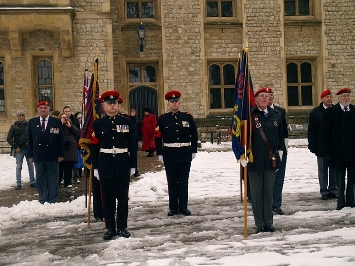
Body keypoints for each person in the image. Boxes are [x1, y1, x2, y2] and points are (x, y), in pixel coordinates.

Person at [90, 90, 137, 240]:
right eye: (109, 103)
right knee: (107, 198)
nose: (112, 106)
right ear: (103, 106)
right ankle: (110, 228)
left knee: (122, 197)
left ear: (118, 105)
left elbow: (133, 145)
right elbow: (94, 147)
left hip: (122, 161)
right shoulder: (98, 124)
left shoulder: (127, 122)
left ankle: (122, 227)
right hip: (105, 163)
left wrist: (133, 165)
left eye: (115, 103)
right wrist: (95, 167)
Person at [240, 87, 286, 234]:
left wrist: (279, 156)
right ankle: (260, 223)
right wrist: (242, 155)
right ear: (256, 99)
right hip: (254, 161)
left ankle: (269, 222)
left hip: (271, 161)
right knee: (256, 194)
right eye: (262, 96)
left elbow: (280, 139)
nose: (265, 98)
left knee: (269, 193)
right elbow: (242, 138)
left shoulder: (276, 115)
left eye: (267, 96)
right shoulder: (249, 115)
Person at [154, 90, 198, 216]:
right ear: (168, 104)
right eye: (172, 102)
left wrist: (193, 150)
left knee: (184, 181)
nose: (174, 104)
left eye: (176, 102)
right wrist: (160, 153)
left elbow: (194, 135)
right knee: (172, 181)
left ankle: (183, 207)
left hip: (184, 152)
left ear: (179, 103)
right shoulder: (162, 119)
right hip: (170, 153)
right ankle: (173, 207)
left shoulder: (187, 117)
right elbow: (157, 136)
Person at [323, 88, 355, 210]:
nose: (346, 98)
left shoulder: (353, 110)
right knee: (340, 177)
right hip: (338, 151)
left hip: (352, 151)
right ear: (339, 98)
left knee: (352, 177)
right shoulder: (331, 112)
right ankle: (340, 201)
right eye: (344, 96)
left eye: (348, 96)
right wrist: (327, 151)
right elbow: (326, 133)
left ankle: (351, 200)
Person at [28, 100, 65, 204]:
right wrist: (30, 155)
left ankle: (53, 199)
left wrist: (61, 154)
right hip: (38, 155)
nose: (43, 110)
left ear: (49, 110)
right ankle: (43, 198)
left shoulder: (56, 122)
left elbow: (60, 139)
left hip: (52, 155)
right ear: (38, 110)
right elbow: (30, 140)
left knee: (53, 178)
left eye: (45, 108)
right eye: (41, 108)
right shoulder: (32, 122)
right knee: (40, 178)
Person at [307, 89, 337, 200]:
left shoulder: (335, 111)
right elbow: (312, 130)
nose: (329, 99)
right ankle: (324, 191)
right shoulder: (315, 112)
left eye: (330, 97)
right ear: (322, 99)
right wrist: (313, 145)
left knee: (333, 169)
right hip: (321, 146)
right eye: (327, 97)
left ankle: (333, 189)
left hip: (334, 147)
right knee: (323, 170)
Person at [266, 88, 289, 215]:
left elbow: (284, 132)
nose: (269, 98)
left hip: (278, 149)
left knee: (279, 178)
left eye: (270, 95)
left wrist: (284, 149)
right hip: (264, 149)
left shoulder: (280, 112)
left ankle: (276, 204)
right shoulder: (257, 113)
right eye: (266, 95)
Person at [7, 110, 36, 190]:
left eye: (23, 115)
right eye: (20, 116)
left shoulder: (29, 125)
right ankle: (18, 183)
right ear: (18, 117)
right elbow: (9, 138)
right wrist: (15, 147)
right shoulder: (14, 126)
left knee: (31, 166)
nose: (21, 117)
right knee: (19, 167)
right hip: (19, 149)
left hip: (28, 148)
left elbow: (32, 136)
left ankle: (32, 182)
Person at [58, 113, 81, 188]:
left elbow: (78, 133)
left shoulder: (71, 126)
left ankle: (68, 182)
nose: (64, 119)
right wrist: (60, 124)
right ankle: (58, 182)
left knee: (68, 168)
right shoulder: (57, 126)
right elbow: (54, 133)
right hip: (61, 149)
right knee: (59, 168)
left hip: (70, 150)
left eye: (66, 118)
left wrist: (70, 126)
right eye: (63, 118)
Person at [73, 112, 83, 182]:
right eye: (79, 118)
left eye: (81, 118)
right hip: (77, 145)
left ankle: (81, 173)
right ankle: (76, 175)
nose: (80, 119)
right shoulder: (76, 125)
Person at [130, 109, 140, 177]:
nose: (134, 113)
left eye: (134, 112)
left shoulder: (135, 119)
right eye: (133, 112)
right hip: (131, 138)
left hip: (134, 137)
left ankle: (135, 170)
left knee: (134, 153)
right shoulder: (128, 119)